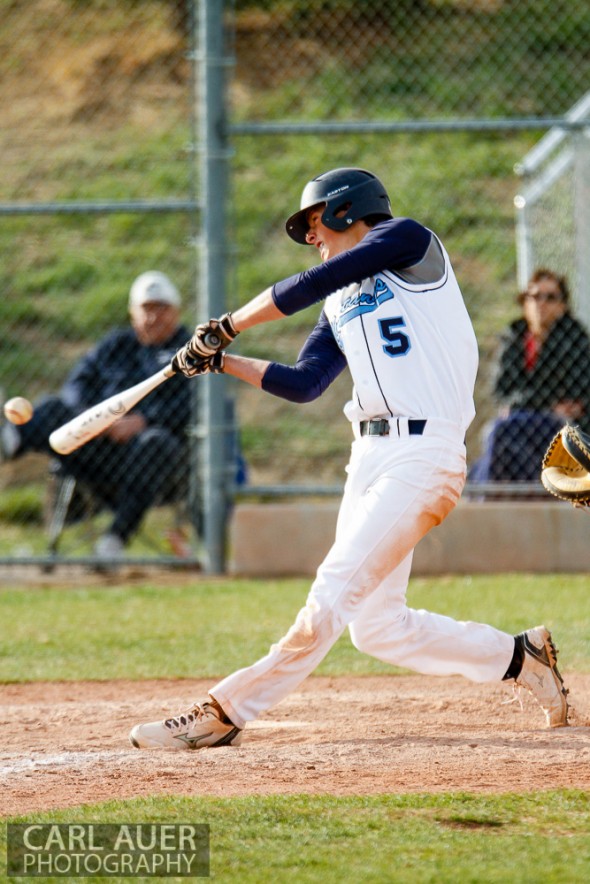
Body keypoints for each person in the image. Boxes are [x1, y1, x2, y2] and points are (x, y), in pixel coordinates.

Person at [130, 167, 569, 752]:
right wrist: (221, 361)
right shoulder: (339, 299)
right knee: (378, 628)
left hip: (424, 451)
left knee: (331, 595)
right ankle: (521, 656)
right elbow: (307, 382)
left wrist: (229, 326)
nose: (313, 238)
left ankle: (226, 710)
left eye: (315, 224)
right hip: (368, 455)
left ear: (344, 211)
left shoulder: (410, 242)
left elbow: (321, 276)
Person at [1, 271, 193, 557]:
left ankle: (113, 541)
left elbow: (195, 405)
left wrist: (143, 421)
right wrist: (95, 418)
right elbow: (76, 386)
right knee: (54, 407)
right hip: (96, 448)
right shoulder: (116, 345)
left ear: (176, 313)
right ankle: (8, 440)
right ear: (132, 314)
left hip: (152, 461)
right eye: (146, 309)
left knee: (156, 442)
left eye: (161, 309)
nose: (153, 317)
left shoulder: (191, 349)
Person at [470, 269, 590, 483]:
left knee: (504, 433)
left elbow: (577, 394)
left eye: (550, 297)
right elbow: (500, 391)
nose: (541, 303)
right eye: (534, 296)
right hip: (521, 419)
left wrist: (523, 402)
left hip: (560, 423)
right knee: (498, 433)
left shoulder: (575, 339)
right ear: (524, 302)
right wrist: (547, 403)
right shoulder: (513, 338)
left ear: (562, 306)